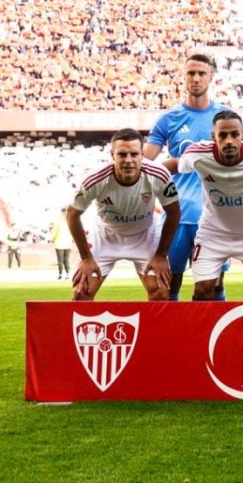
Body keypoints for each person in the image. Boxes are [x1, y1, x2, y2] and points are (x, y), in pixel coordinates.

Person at [168, 110, 243, 301]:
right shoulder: (197, 153)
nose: (229, 141)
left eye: (234, 134)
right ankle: (203, 331)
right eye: (223, 135)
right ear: (213, 137)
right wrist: (143, 171)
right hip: (212, 234)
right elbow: (176, 165)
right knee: (202, 291)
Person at [144, 52, 228, 301]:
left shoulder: (225, 119)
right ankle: (173, 339)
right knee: (169, 285)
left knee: (212, 287)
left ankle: (213, 339)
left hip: (214, 216)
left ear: (211, 77)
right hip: (177, 214)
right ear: (183, 77)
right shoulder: (169, 119)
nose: (196, 78)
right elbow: (145, 163)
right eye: (191, 73)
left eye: (202, 73)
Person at [68, 128, 180, 302]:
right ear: (112, 154)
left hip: (145, 235)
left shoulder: (158, 174)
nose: (128, 160)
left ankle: (151, 330)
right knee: (82, 292)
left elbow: (173, 212)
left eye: (134, 154)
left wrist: (161, 255)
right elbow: (72, 215)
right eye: (122, 154)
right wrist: (86, 258)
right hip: (105, 235)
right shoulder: (95, 179)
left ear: (142, 155)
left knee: (160, 292)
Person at [50, 208, 73, 280]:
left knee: (60, 260)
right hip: (68, 243)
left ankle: (60, 274)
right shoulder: (70, 221)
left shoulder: (58, 222)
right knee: (66, 259)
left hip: (59, 244)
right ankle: (67, 274)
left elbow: (54, 233)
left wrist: (52, 239)